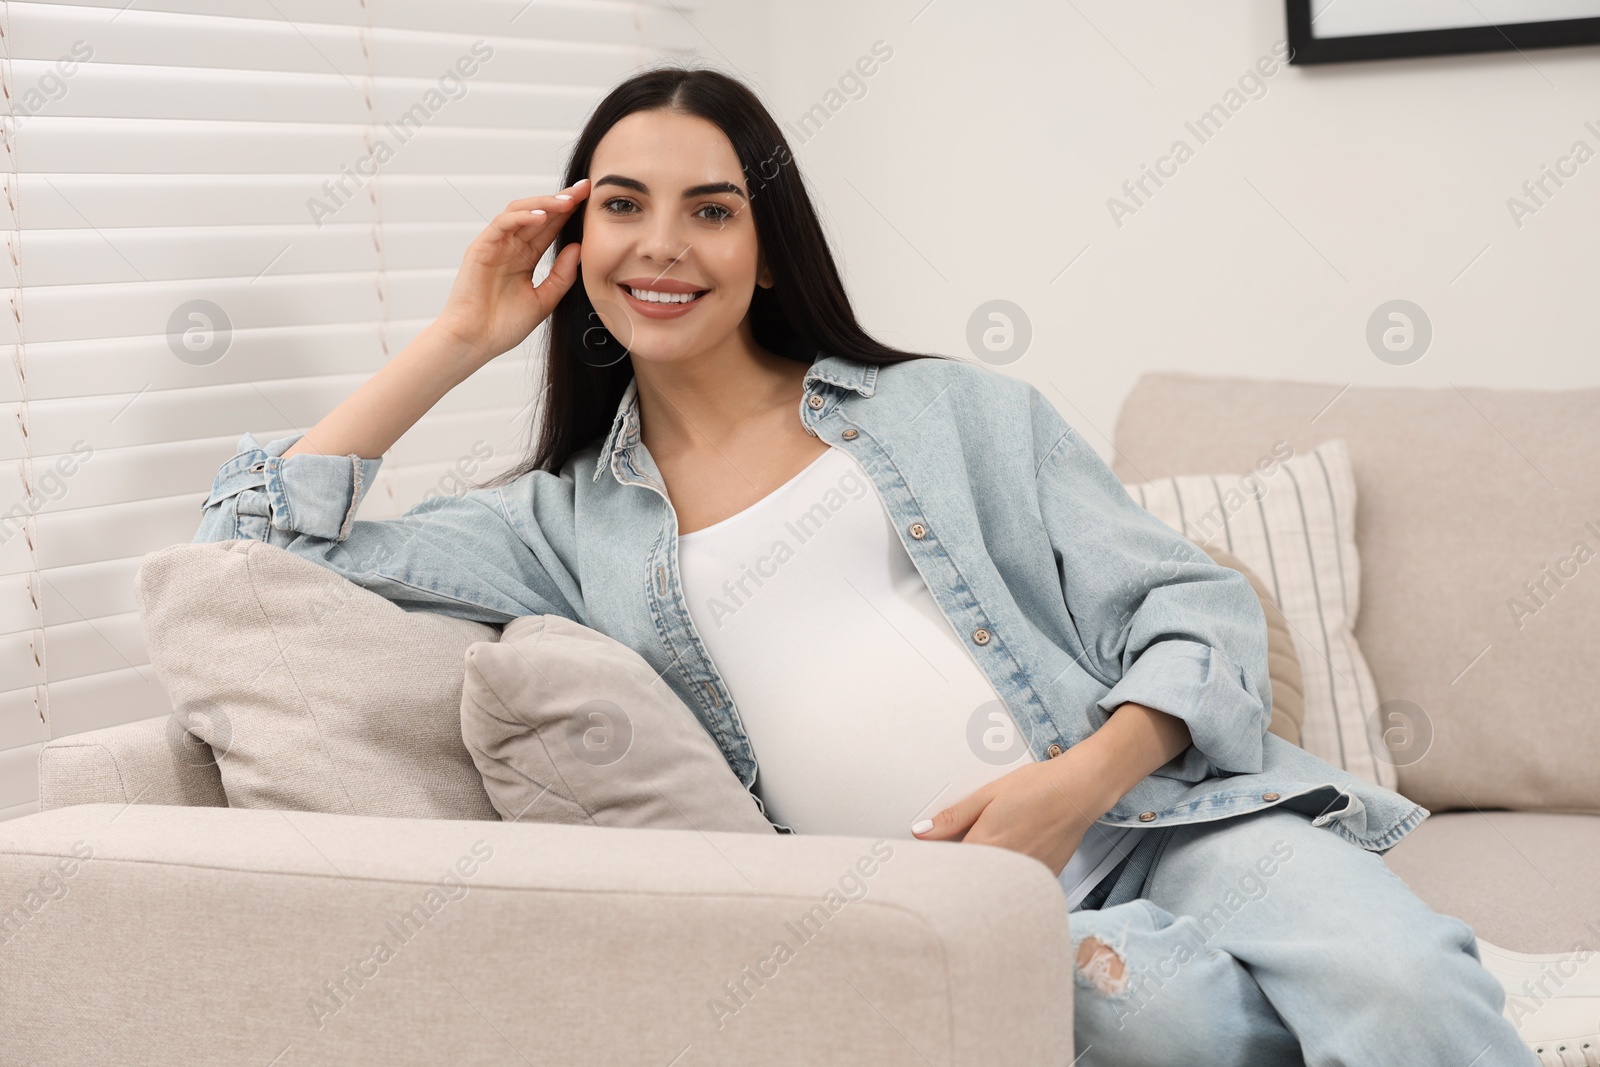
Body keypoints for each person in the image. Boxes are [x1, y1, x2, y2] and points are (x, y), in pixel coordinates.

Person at [193, 65, 1535, 1067]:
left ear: (766, 246)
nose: (663, 245)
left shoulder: (953, 412)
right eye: (622, 207)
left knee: (1405, 988)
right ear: (573, 240)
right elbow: (257, 551)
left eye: (709, 210)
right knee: (1176, 1022)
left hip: (1157, 824)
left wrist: (1076, 784)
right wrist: (459, 336)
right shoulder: (550, 528)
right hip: (935, 908)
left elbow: (1192, 607)